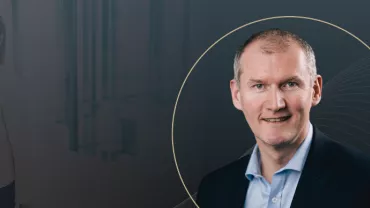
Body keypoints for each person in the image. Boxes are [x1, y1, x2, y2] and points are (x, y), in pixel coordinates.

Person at [196, 28, 370, 208]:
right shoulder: (213, 190)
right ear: (237, 95)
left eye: (290, 84)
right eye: (259, 86)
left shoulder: (364, 181)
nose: (276, 104)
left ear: (316, 90)